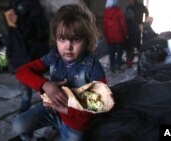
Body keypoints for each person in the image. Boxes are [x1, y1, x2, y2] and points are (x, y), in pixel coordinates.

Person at [12, 4, 107, 141]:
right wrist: (45, 84)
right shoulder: (54, 57)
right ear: (56, 39)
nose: (68, 46)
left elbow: (101, 102)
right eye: (62, 39)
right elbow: (21, 72)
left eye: (75, 39)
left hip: (75, 122)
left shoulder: (93, 66)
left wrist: (67, 108)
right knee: (17, 125)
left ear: (87, 41)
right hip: (51, 111)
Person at [4, 0, 50, 112]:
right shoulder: (12, 4)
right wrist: (10, 53)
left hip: (33, 52)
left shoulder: (33, 4)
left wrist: (20, 21)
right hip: (19, 52)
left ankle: (50, 103)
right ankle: (26, 101)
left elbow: (42, 30)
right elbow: (11, 32)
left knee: (40, 80)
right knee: (25, 80)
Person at [102, 0, 128, 72]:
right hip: (118, 36)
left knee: (111, 52)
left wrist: (106, 36)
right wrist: (126, 34)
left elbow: (104, 26)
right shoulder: (118, 12)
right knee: (119, 52)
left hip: (109, 37)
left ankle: (112, 66)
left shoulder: (105, 13)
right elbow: (123, 24)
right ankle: (117, 66)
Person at [125, 0, 149, 67]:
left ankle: (140, 57)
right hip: (130, 28)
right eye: (128, 1)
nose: (129, 2)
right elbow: (125, 18)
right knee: (131, 44)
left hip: (138, 26)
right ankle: (130, 60)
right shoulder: (128, 8)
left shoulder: (140, 6)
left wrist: (144, 22)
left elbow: (146, 12)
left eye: (130, 0)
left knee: (137, 43)